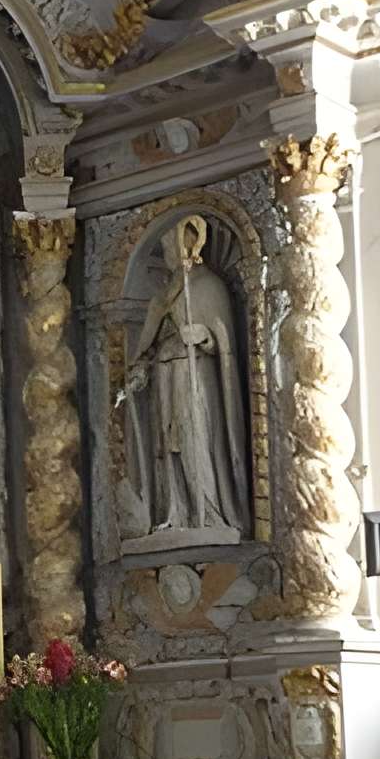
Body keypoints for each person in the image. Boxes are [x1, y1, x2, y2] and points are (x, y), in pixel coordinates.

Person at [118, 216, 251, 539]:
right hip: (165, 376)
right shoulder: (163, 297)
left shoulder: (208, 285)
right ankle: (175, 512)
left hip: (196, 376)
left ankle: (208, 513)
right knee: (167, 446)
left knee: (195, 443)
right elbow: (148, 345)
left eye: (169, 244)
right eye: (163, 245)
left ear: (191, 242)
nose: (166, 250)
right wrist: (139, 371)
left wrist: (205, 336)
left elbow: (224, 342)